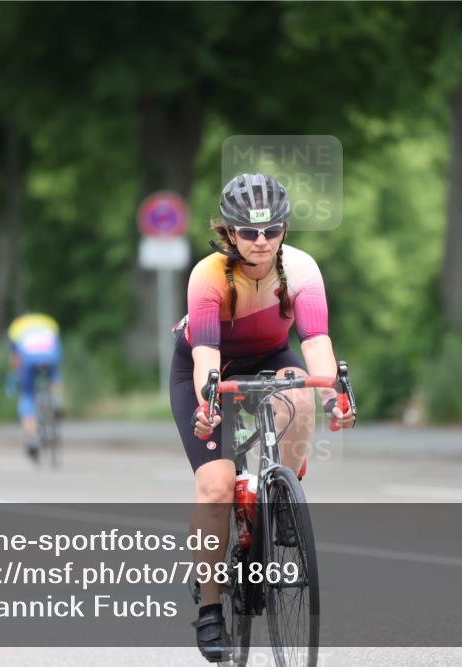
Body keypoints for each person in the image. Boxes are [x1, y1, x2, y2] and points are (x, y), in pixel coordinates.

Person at [170, 173, 355, 662]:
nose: (261, 241)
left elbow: (315, 342)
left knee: (299, 398)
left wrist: (333, 393)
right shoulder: (209, 275)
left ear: (285, 230)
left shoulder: (301, 270)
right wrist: (210, 405)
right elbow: (206, 353)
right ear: (229, 233)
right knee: (216, 484)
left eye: (271, 230)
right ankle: (210, 608)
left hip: (272, 356)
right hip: (210, 367)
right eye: (248, 232)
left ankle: (284, 496)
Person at [7, 313, 64, 462]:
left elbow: (14, 358)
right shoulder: (48, 321)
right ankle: (57, 399)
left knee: (27, 397)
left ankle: (32, 439)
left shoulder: (16, 327)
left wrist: (14, 376)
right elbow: (57, 341)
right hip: (50, 354)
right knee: (54, 374)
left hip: (29, 358)